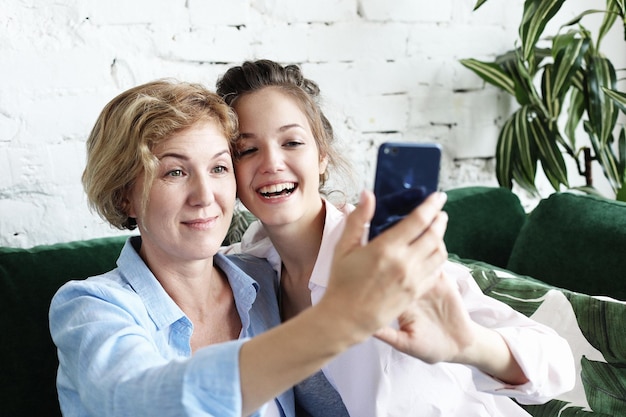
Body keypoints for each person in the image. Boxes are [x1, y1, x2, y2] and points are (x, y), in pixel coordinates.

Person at [48, 79, 451, 417]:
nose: (205, 196)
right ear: (125, 197)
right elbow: (148, 401)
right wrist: (336, 321)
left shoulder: (262, 280)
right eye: (174, 172)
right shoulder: (90, 307)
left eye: (220, 167)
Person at [216, 60, 576, 416]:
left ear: (322, 156)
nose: (271, 163)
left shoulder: (384, 251)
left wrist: (467, 345)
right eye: (248, 150)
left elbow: (556, 363)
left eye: (292, 142)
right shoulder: (246, 267)